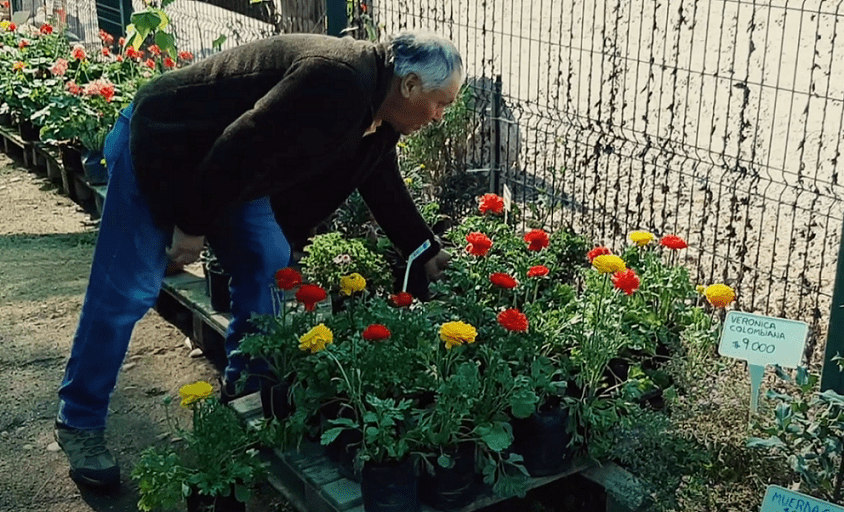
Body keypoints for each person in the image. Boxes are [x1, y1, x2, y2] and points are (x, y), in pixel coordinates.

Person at [54, 30, 464, 488]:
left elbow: (379, 179)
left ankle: (247, 393)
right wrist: (191, 224)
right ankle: (80, 421)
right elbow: (243, 140)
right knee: (126, 288)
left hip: (228, 168)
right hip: (162, 144)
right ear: (408, 85)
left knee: (269, 264)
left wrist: (423, 248)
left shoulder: (376, 109)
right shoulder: (339, 80)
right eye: (440, 103)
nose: (440, 116)